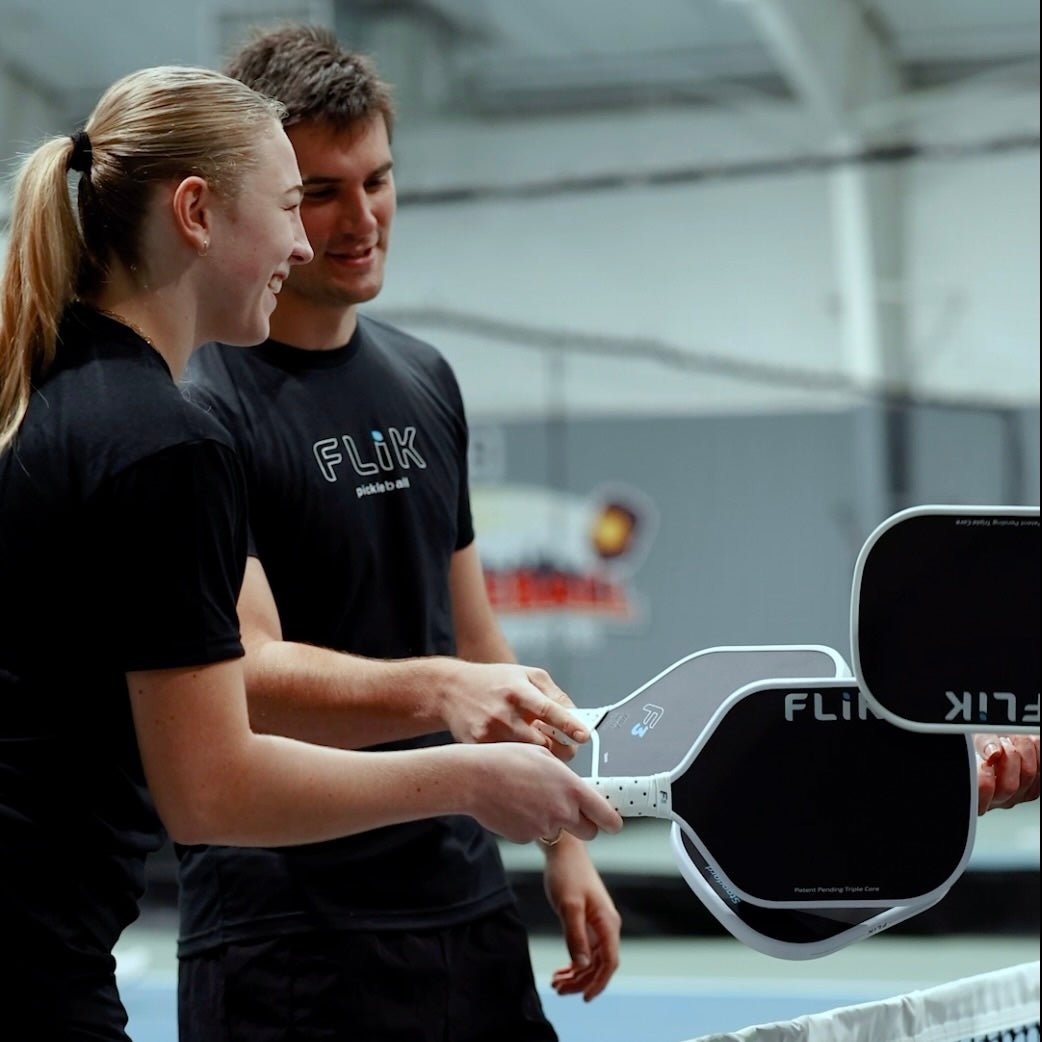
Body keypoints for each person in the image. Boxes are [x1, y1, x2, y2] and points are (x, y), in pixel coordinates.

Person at [0, 65, 623, 1041]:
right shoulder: (168, 438)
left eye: (370, 182)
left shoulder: (58, 395)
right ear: (198, 213)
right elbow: (210, 788)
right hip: (164, 950)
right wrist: (465, 770)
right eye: (295, 201)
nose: (304, 238)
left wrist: (540, 820)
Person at [177, 24, 623, 1042]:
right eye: (321, 192)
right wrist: (437, 689)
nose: (360, 216)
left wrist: (561, 834)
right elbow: (241, 670)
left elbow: (473, 633)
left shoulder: (424, 376)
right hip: (284, 929)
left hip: (460, 904)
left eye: (376, 179)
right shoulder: (199, 403)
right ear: (261, 201)